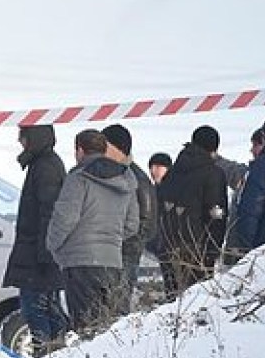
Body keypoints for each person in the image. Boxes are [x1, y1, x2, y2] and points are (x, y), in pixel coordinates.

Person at [46, 129, 138, 339]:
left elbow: (65, 219)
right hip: (112, 262)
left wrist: (52, 245)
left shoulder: (78, 178)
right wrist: (109, 238)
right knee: (107, 331)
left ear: (80, 150)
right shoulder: (125, 179)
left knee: (85, 329)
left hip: (80, 263)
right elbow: (132, 224)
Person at [2, 124, 67, 358]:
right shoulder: (43, 164)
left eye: (23, 136)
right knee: (45, 308)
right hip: (38, 254)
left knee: (36, 309)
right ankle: (54, 357)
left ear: (34, 137)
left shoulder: (45, 167)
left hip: (38, 257)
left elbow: (48, 213)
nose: (20, 141)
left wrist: (45, 254)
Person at [157, 125, 229, 298]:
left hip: (168, 249)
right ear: (214, 149)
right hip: (198, 253)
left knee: (173, 304)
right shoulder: (213, 174)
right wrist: (213, 251)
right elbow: (216, 214)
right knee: (196, 305)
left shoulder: (171, 174)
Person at [103, 124, 157, 308]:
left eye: (105, 145)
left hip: (124, 254)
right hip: (109, 252)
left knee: (117, 306)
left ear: (116, 148)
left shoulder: (136, 178)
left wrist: (127, 244)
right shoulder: (110, 174)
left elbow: (147, 222)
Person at [231, 125, 265, 258]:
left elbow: (250, 209)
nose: (251, 150)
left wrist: (249, 251)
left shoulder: (260, 168)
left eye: (255, 145)